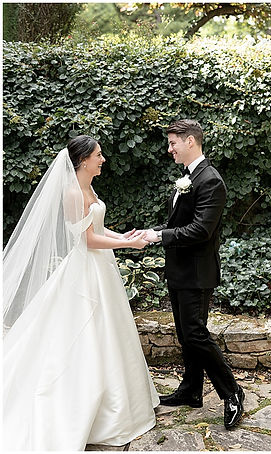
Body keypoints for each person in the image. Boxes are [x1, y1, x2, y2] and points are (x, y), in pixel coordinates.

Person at [3, 136, 159, 450]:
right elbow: (86, 240)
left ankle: (120, 398)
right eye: (98, 155)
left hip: (101, 269)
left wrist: (122, 235)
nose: (103, 159)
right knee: (85, 332)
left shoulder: (88, 186)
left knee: (109, 332)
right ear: (83, 159)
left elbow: (97, 229)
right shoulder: (74, 192)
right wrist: (128, 245)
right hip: (85, 271)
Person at [138, 119, 245, 430]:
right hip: (180, 270)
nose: (169, 149)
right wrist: (152, 231)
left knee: (196, 334)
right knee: (186, 335)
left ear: (190, 142)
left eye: (173, 143)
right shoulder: (189, 177)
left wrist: (161, 237)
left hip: (197, 273)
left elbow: (200, 230)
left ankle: (232, 393)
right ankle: (191, 390)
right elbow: (180, 222)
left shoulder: (210, 180)